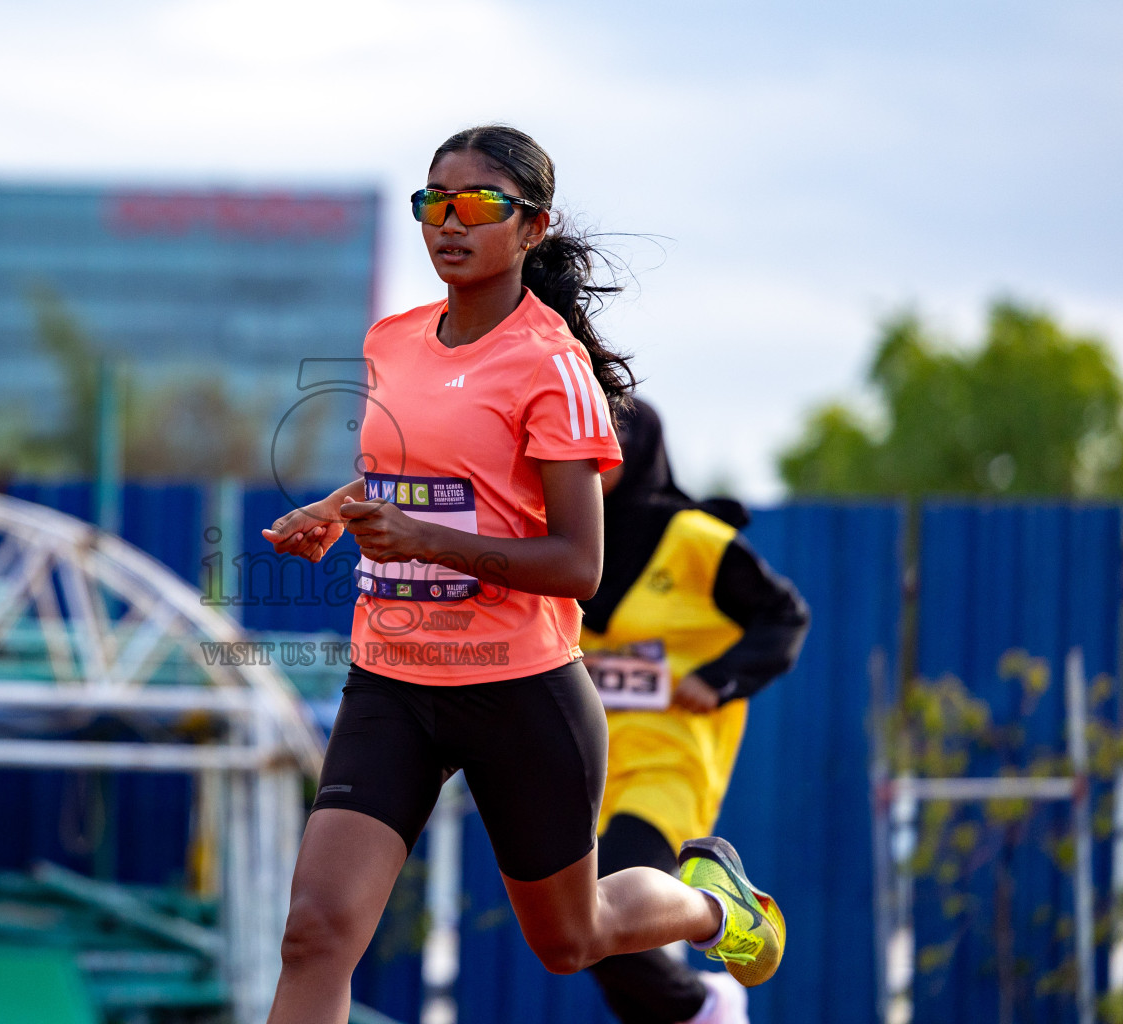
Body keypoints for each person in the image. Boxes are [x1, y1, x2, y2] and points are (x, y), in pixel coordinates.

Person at [261, 125, 785, 1024]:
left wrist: (422, 539)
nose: (449, 223)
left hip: (521, 690)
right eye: (434, 202)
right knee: (315, 932)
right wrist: (337, 510)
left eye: (478, 205)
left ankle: (714, 905)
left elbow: (579, 565)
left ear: (533, 227)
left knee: (567, 939)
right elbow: (411, 469)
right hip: (391, 677)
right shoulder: (391, 340)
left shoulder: (553, 365)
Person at [576, 398, 809, 1024]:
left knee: (606, 911)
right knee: (578, 939)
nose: (590, 443)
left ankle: (712, 987)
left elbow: (785, 616)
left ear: (642, 446)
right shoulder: (564, 542)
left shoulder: (695, 540)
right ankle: (693, 1012)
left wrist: (719, 675)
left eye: (609, 433)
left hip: (668, 767)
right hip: (579, 772)